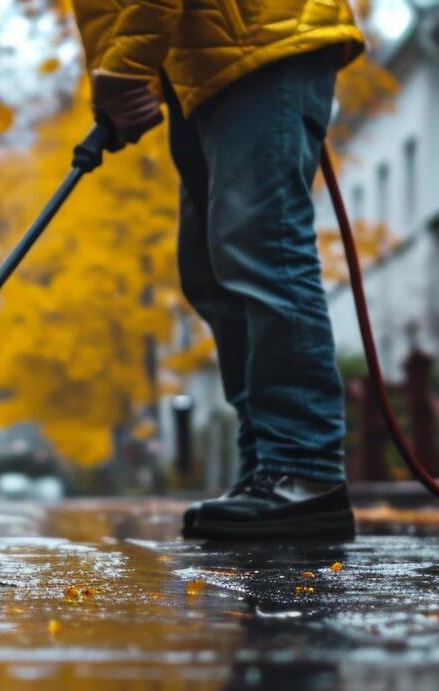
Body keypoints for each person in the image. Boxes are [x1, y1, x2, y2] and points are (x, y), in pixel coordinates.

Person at [72, 0, 365, 541]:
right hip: (201, 62)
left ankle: (306, 470)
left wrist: (123, 69)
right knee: (209, 271)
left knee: (263, 251)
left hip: (261, 38)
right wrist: (131, 76)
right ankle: (266, 469)